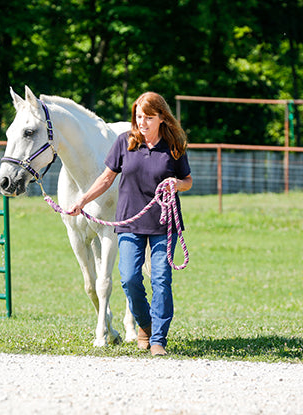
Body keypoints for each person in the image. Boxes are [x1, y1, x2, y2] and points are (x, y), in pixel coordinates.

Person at [68, 92, 192, 356]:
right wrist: (83, 200)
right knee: (130, 279)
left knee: (160, 280)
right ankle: (145, 324)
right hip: (129, 223)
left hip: (163, 223)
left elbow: (188, 180)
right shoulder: (125, 143)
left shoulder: (173, 145)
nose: (143, 122)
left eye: (148, 117)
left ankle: (157, 339)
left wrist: (176, 184)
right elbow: (106, 178)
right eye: (139, 117)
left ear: (161, 117)